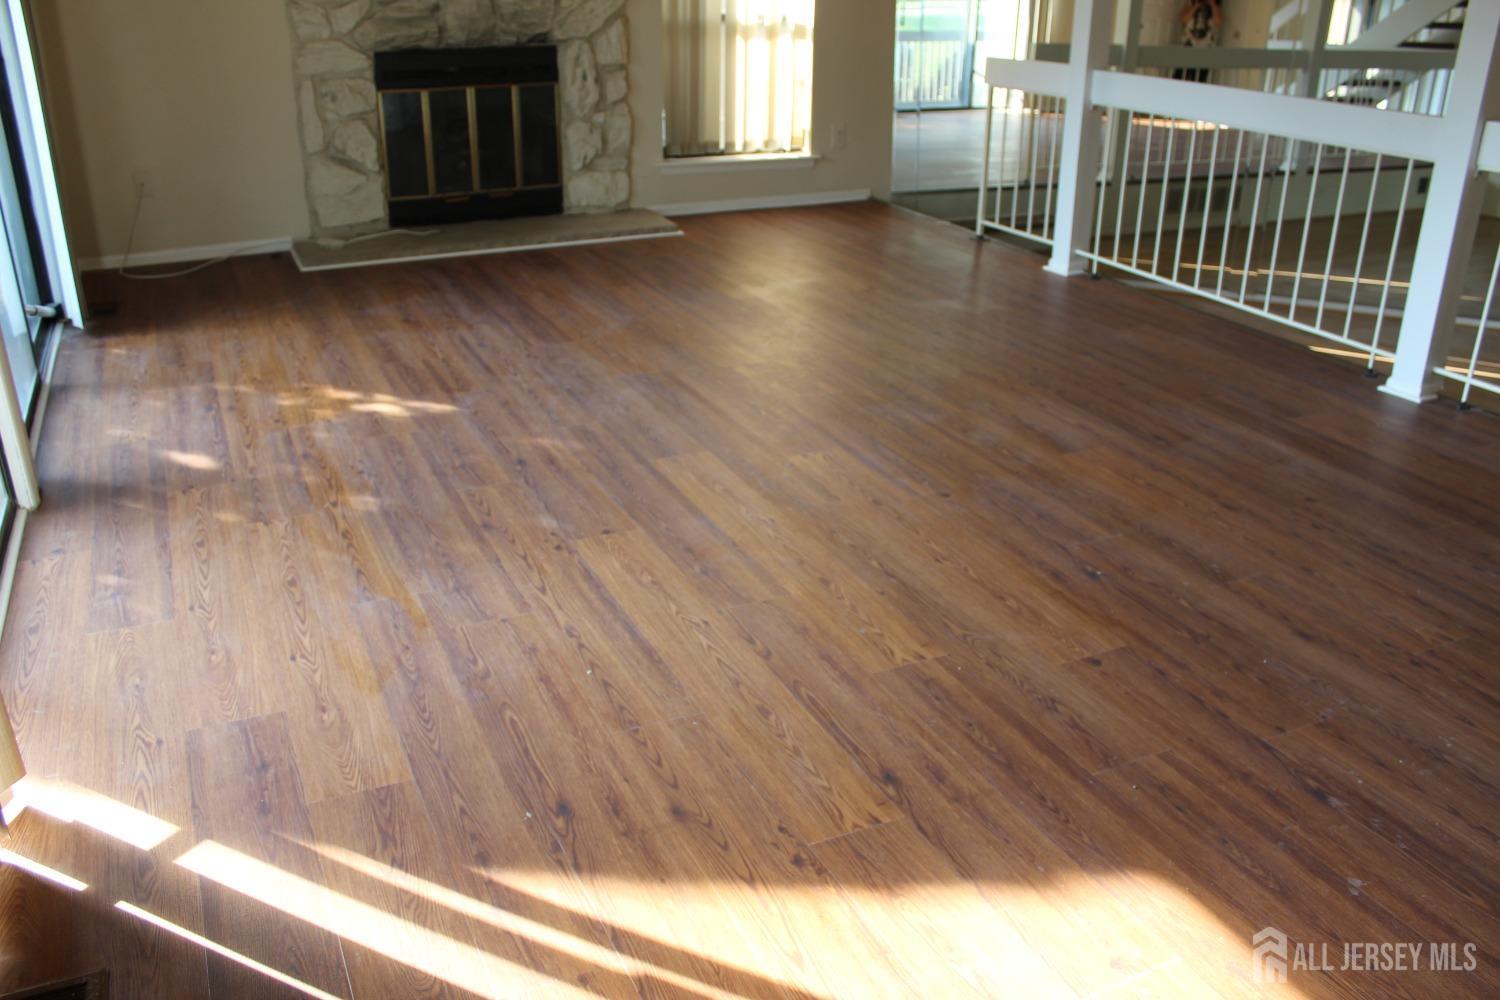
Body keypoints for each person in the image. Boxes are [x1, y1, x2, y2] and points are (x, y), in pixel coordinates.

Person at [1174, 0, 1223, 83]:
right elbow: (1183, 19)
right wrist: (1196, 6)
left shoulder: (1215, 8)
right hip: (1188, 45)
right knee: (1180, 74)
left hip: (1206, 47)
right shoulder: (1190, 5)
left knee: (1200, 77)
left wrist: (1212, 5)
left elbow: (1218, 21)